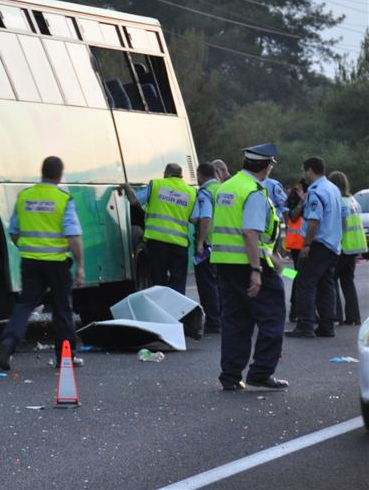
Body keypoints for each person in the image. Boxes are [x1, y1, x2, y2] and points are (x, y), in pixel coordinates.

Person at [210, 143, 288, 390]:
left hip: (225, 263)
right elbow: (249, 232)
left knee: (236, 321)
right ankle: (261, 372)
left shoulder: (226, 187)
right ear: (266, 166)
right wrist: (256, 270)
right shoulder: (253, 192)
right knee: (273, 317)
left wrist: (271, 254)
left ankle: (230, 376)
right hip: (248, 264)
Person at [0, 156, 85, 371]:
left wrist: (28, 247)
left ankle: (8, 342)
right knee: (62, 308)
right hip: (57, 264)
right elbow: (73, 237)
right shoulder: (63, 199)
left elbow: (14, 232)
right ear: (60, 175)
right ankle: (65, 357)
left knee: (25, 305)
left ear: (42, 172)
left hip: (30, 262)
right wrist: (80, 266)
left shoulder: (25, 196)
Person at [287, 156, 342, 339]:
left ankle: (305, 325)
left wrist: (307, 245)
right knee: (326, 284)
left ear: (310, 170)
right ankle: (327, 326)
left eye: (304, 170)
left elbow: (313, 221)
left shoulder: (316, 191)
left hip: (318, 244)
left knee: (305, 282)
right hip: (332, 244)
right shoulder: (333, 188)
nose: (303, 174)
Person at [123, 163, 197, 295]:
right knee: (178, 283)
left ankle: (160, 306)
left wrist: (126, 187)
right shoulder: (190, 191)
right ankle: (176, 307)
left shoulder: (157, 185)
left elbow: (134, 200)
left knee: (158, 282)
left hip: (158, 243)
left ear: (166, 174)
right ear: (181, 176)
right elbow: (194, 219)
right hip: (179, 245)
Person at [327, 171, 363, 326]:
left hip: (343, 246)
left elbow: (341, 226)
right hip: (355, 246)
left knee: (332, 280)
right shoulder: (353, 200)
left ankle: (336, 316)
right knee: (348, 281)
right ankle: (354, 317)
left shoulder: (339, 201)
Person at [191, 162, 221, 334]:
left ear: (200, 175)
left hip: (208, 245)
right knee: (219, 284)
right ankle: (221, 318)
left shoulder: (205, 192)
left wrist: (200, 242)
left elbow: (204, 218)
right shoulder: (223, 189)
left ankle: (213, 321)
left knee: (207, 285)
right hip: (223, 245)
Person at [283, 183, 306, 322]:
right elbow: (292, 217)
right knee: (300, 277)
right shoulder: (298, 201)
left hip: (297, 244)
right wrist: (302, 201)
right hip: (300, 244)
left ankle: (295, 310)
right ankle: (296, 310)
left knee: (298, 276)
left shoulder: (294, 199)